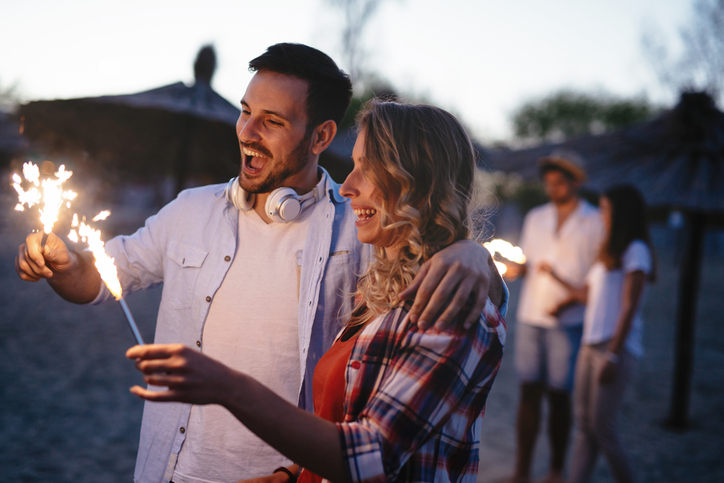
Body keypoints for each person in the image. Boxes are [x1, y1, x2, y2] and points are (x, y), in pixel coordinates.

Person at [14, 44, 504, 483]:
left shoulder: (356, 226)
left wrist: (474, 255)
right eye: (246, 111)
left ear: (320, 136)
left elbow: (437, 272)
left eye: (272, 120)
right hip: (172, 467)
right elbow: (100, 277)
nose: (247, 130)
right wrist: (63, 264)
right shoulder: (188, 210)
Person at [127, 99, 507, 483]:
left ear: (419, 182)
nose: (348, 186)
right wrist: (291, 476)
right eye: (354, 165)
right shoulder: (379, 286)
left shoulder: (453, 304)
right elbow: (350, 416)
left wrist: (227, 386)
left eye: (369, 170)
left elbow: (372, 457)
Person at [503, 149, 604, 483]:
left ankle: (557, 470)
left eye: (559, 182)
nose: (552, 188)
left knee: (560, 395)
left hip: (570, 322)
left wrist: (569, 302)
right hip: (532, 316)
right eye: (548, 182)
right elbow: (529, 264)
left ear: (576, 182)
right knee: (528, 390)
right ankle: (521, 471)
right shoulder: (536, 217)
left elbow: (596, 275)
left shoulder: (595, 221)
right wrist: (510, 268)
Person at [541, 184, 654, 483]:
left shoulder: (637, 250)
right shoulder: (608, 253)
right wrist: (556, 284)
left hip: (614, 348)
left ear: (622, 213)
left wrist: (614, 354)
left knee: (603, 429)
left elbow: (630, 306)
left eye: (606, 210)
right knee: (585, 426)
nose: (602, 216)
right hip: (591, 346)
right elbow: (588, 295)